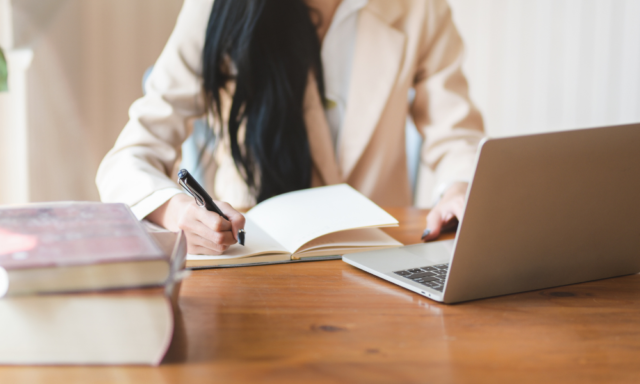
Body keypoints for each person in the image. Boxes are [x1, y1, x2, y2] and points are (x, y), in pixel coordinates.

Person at [96, 0, 485, 255]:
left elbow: (456, 137)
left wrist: (458, 188)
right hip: (255, 260)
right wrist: (177, 211)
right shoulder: (215, 8)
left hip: (377, 259)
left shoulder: (421, 9)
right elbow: (129, 158)